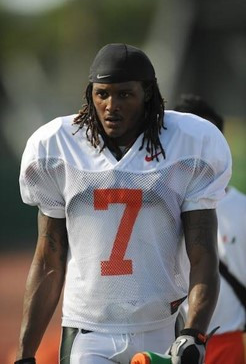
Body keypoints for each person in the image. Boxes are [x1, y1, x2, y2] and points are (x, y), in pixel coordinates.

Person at [15, 44, 232, 364]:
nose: (111, 105)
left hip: (161, 329)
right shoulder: (57, 148)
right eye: (102, 94)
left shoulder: (189, 144)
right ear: (90, 95)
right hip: (89, 332)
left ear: (147, 94)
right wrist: (24, 354)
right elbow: (49, 260)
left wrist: (194, 332)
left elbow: (202, 255)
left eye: (124, 94)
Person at [174, 94, 246, 364]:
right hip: (168, 342)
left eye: (206, 142)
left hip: (227, 343)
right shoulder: (157, 207)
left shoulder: (242, 210)